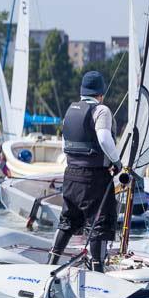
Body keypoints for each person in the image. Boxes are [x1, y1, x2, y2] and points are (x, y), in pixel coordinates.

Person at [46, 71, 123, 273]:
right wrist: (117, 162)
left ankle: (50, 263)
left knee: (68, 221)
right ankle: (98, 271)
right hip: (94, 177)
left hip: (71, 174)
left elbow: (65, 144)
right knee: (98, 224)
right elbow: (105, 139)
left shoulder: (70, 111)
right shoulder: (102, 110)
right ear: (101, 93)